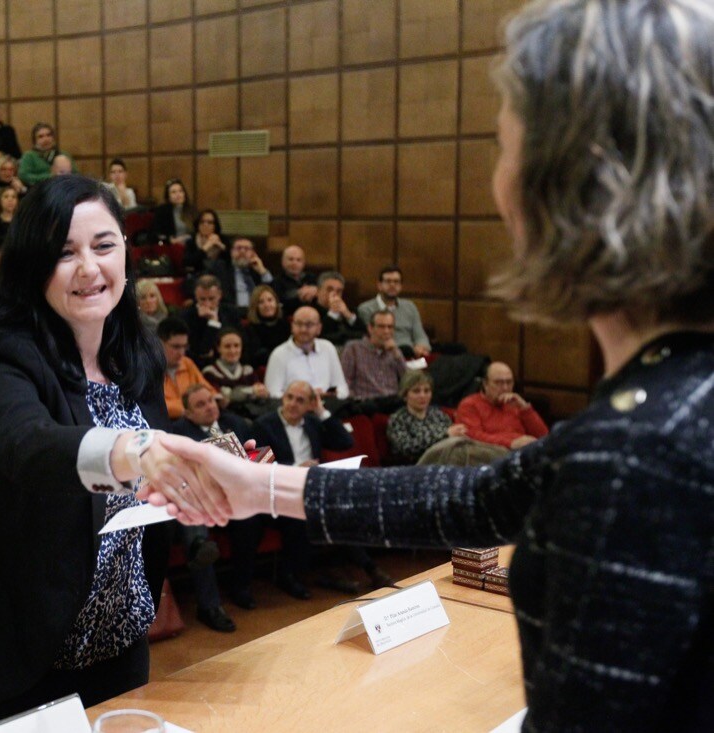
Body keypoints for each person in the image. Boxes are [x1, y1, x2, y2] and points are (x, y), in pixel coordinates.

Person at [145, 2, 714, 728]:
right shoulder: (668, 401)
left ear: (575, 184)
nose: (497, 185)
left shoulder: (633, 456)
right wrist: (262, 485)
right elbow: (478, 498)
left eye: (506, 148)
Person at [0, 175, 209, 731]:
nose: (90, 268)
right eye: (64, 252)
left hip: (115, 642)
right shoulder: (2, 354)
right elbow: (28, 445)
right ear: (32, 264)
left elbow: (146, 480)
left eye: (103, 245)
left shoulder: (135, 351)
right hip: (7, 656)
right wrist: (136, 451)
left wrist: (210, 466)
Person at [245, 381, 356, 600]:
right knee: (301, 515)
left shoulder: (313, 423)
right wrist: (296, 470)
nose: (293, 404)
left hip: (311, 488)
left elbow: (346, 442)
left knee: (344, 506)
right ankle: (289, 576)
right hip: (278, 492)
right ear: (282, 398)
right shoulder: (263, 425)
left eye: (301, 400)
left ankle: (360, 567)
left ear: (310, 404)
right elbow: (260, 468)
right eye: (289, 397)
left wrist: (322, 411)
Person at [167, 383, 250, 632]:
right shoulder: (178, 434)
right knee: (196, 532)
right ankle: (210, 606)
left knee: (251, 519)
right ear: (188, 413)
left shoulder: (234, 423)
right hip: (196, 499)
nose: (209, 407)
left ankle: (242, 588)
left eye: (211, 401)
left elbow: (252, 458)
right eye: (200, 405)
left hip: (234, 494)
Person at [454, 361, 548, 450]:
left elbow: (544, 436)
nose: (505, 388)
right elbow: (474, 437)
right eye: (498, 383)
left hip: (523, 451)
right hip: (492, 453)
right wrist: (511, 443)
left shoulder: (514, 403)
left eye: (509, 382)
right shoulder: (469, 404)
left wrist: (525, 408)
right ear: (485, 384)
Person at [263, 305, 349, 399]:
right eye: (299, 324)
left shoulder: (328, 348)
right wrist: (305, 398)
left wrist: (332, 395)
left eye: (309, 325)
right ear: (292, 326)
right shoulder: (279, 354)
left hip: (328, 406)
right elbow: (273, 393)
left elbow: (342, 387)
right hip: (295, 409)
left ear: (319, 328)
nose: (303, 329)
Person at [386, 370, 467, 464]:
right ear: (405, 395)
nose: (422, 396)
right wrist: (445, 435)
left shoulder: (439, 415)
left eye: (427, 391)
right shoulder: (398, 419)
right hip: (419, 466)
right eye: (416, 391)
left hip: (449, 458)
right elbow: (407, 448)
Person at [355, 266, 432, 358]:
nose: (392, 285)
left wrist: (422, 346)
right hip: (384, 355)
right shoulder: (366, 309)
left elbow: (420, 335)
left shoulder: (410, 306)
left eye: (396, 282)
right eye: (388, 281)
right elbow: (373, 339)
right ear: (379, 285)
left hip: (411, 354)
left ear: (401, 286)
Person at [159, 316, 219, 420]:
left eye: (184, 346)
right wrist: (192, 408)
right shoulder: (147, 370)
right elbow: (157, 407)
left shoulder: (187, 363)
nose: (181, 352)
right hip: (168, 423)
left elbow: (209, 391)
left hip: (194, 419)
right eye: (176, 347)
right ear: (159, 344)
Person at [339, 310, 407, 402]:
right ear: (370, 328)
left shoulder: (395, 351)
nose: (386, 331)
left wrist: (397, 355)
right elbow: (345, 383)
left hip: (392, 401)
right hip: (366, 402)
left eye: (390, 327)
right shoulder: (353, 348)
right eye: (381, 327)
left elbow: (408, 382)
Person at [179, 274, 242, 367]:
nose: (207, 304)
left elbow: (237, 342)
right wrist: (213, 323)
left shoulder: (231, 312)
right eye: (202, 299)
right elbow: (202, 352)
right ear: (196, 296)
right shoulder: (186, 317)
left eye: (211, 299)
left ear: (219, 295)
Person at [202, 328, 269, 405]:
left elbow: (261, 393)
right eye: (227, 346)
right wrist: (251, 392)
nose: (232, 351)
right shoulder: (210, 373)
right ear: (218, 348)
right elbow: (222, 400)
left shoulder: (248, 370)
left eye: (236, 346)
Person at [207, 237, 274, 310]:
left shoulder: (257, 270)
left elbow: (273, 293)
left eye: (246, 249)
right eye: (238, 248)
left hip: (255, 314)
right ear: (231, 252)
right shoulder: (220, 268)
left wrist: (263, 271)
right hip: (230, 313)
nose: (242, 251)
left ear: (253, 253)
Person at [243, 284, 291, 369]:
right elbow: (257, 356)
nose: (267, 305)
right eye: (261, 302)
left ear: (276, 303)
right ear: (255, 306)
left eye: (270, 300)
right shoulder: (250, 329)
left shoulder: (285, 323)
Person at [313, 271, 363, 346]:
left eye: (339, 291)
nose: (334, 294)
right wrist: (333, 314)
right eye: (329, 289)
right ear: (318, 291)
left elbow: (365, 333)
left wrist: (349, 316)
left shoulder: (349, 309)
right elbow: (317, 335)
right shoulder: (309, 310)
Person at [272, 244, 319, 316]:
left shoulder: (312, 278)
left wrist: (316, 291)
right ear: (283, 262)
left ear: (303, 263)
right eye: (291, 259)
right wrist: (299, 294)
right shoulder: (276, 282)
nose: (294, 263)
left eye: (298, 260)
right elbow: (280, 302)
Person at [150, 179, 196, 251]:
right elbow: (155, 235)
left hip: (190, 246)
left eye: (180, 191)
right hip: (170, 247)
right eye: (173, 192)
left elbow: (196, 232)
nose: (178, 194)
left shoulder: (191, 210)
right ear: (168, 196)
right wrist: (171, 240)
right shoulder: (162, 211)